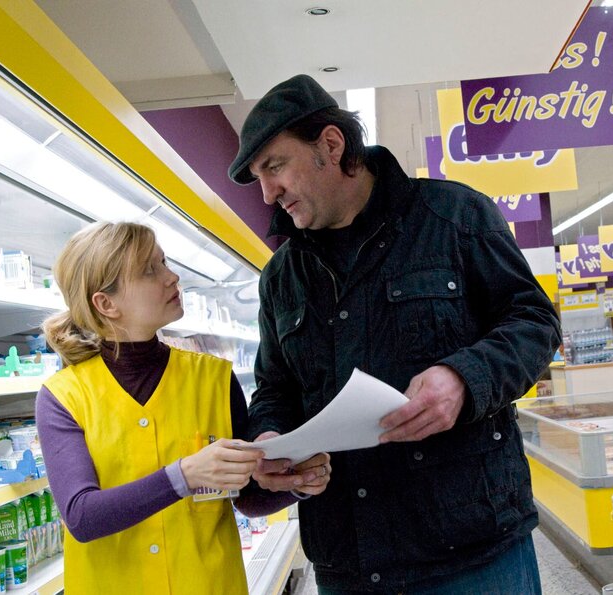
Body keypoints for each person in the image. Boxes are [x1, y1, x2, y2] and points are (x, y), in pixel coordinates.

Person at [227, 74, 561, 593]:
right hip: (350, 561)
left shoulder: (454, 217)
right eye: (258, 176)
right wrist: (270, 441)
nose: (268, 193)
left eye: (274, 166)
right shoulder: (282, 276)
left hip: (471, 554)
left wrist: (463, 379)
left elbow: (534, 323)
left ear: (331, 146)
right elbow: (275, 388)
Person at [35, 221, 331, 595]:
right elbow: (82, 516)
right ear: (106, 303)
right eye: (150, 270)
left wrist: (296, 484)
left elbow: (247, 497)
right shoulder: (63, 396)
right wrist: (185, 476)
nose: (172, 277)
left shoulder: (213, 378)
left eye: (164, 262)